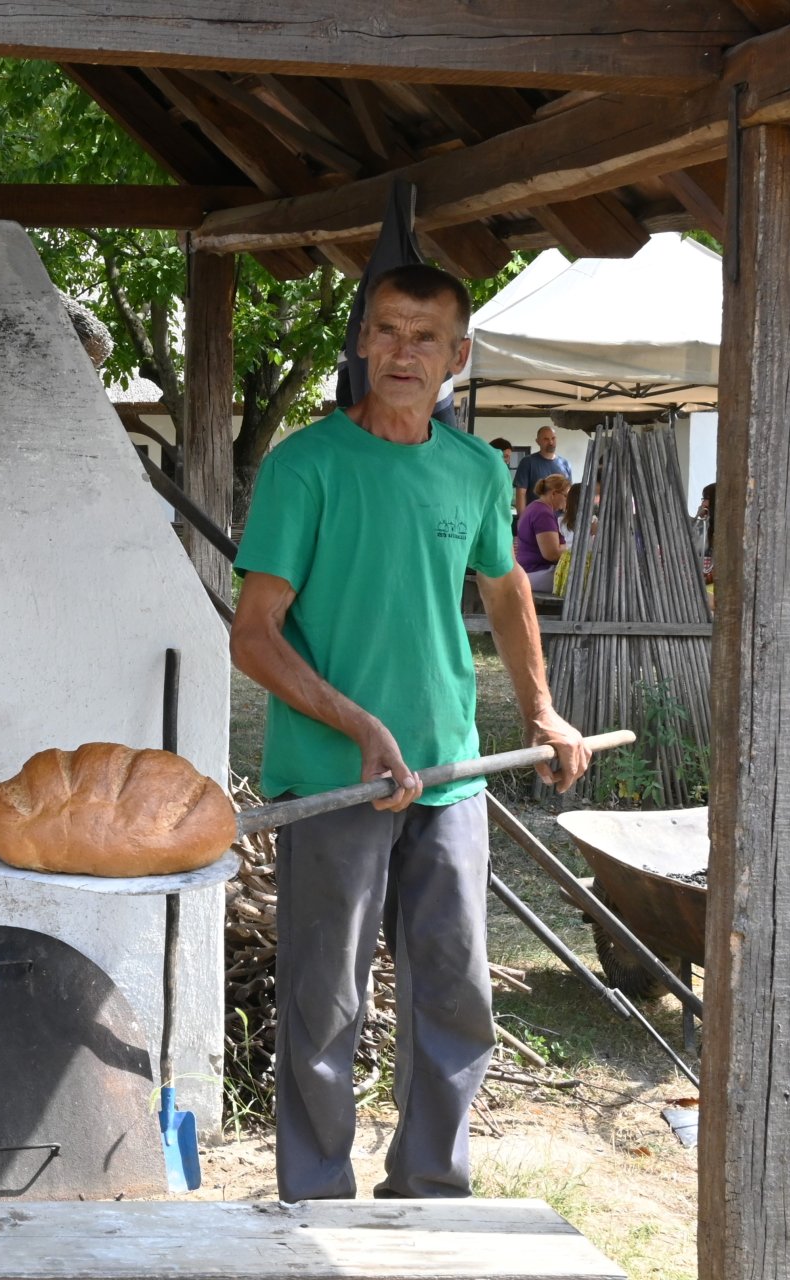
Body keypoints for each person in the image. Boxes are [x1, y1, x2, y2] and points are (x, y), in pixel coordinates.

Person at [230, 263, 591, 1202]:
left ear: (457, 357)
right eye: (387, 330)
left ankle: (432, 1191)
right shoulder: (303, 466)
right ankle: (316, 1200)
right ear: (360, 342)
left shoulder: (473, 471)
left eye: (424, 336)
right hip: (335, 778)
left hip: (454, 773)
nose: (402, 351)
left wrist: (543, 709)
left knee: (457, 995)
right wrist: (357, 725)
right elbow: (254, 635)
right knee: (326, 1001)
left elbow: (508, 594)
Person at [515, 473, 571, 593]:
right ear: (554, 494)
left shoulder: (534, 507)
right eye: (566, 496)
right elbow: (552, 554)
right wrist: (571, 546)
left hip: (529, 571)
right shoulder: (543, 513)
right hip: (537, 572)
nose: (567, 500)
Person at [512, 425, 571, 515]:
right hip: (536, 518)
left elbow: (569, 493)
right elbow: (521, 493)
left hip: (560, 520)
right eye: (546, 439)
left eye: (553, 438)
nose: (551, 442)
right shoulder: (528, 462)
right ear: (537, 441)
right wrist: (523, 520)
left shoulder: (565, 463)